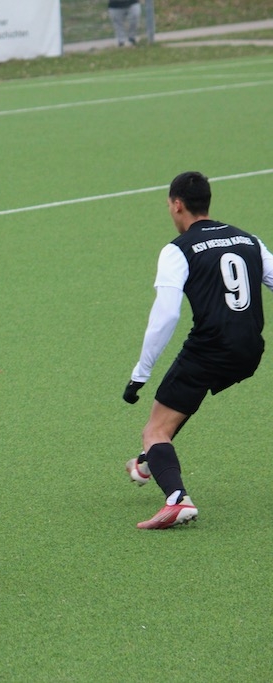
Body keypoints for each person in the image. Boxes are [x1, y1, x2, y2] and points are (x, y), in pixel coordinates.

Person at [123, 171, 273, 529]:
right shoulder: (249, 239)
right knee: (181, 399)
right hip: (250, 349)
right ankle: (147, 463)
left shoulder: (178, 249)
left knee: (154, 430)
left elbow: (166, 315)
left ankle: (177, 499)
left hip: (210, 348)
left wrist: (140, 373)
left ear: (177, 205)